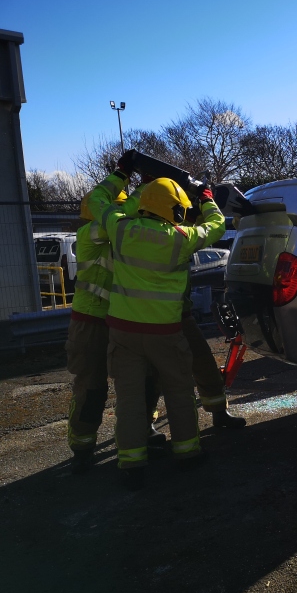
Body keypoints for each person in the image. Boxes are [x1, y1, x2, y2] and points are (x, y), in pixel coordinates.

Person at [88, 150, 226, 489]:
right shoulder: (181, 239)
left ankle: (131, 464)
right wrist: (206, 197)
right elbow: (217, 225)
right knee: (179, 393)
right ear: (177, 210)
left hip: (123, 333)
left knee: (131, 400)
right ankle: (188, 453)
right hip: (167, 332)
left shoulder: (120, 228)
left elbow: (97, 199)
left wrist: (124, 175)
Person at [66, 187, 167, 473]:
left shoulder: (129, 236)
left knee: (143, 381)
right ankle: (82, 447)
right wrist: (146, 191)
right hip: (92, 321)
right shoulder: (91, 233)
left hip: (125, 319)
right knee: (91, 386)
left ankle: (143, 430)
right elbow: (115, 222)